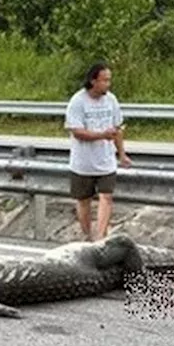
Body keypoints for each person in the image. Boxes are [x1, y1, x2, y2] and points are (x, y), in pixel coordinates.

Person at [65, 62, 133, 241]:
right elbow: (77, 132)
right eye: (105, 80)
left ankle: (101, 236)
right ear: (93, 81)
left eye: (109, 80)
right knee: (84, 201)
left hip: (106, 160)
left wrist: (122, 154)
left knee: (107, 196)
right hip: (83, 162)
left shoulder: (111, 100)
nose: (108, 84)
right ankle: (87, 235)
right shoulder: (77, 102)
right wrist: (102, 135)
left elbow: (117, 128)